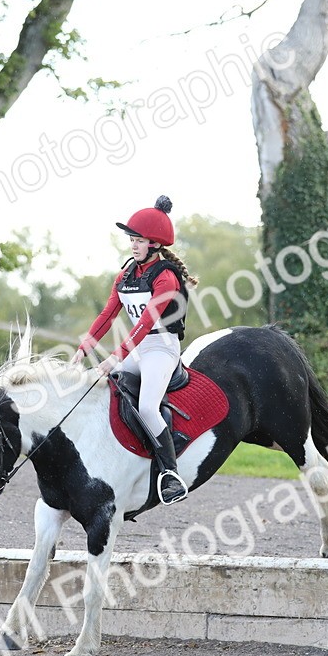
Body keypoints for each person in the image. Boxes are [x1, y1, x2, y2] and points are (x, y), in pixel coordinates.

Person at [71, 195, 199, 505]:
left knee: (146, 408)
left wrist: (115, 357)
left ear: (154, 243)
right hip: (137, 349)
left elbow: (145, 323)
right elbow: (108, 314)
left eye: (138, 240)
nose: (133, 245)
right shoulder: (127, 273)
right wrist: (83, 349)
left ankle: (171, 474)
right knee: (95, 388)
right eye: (131, 239)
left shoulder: (166, 277)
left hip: (160, 349)